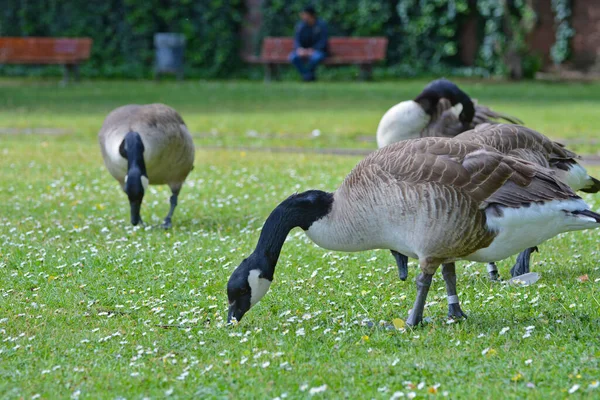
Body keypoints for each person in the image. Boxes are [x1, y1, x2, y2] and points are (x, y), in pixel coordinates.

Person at [288, 6, 328, 82]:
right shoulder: (300, 26)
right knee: (293, 57)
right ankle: (307, 75)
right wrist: (299, 49)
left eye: (304, 14)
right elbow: (297, 41)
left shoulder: (321, 26)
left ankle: (307, 75)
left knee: (316, 58)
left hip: (317, 51)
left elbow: (323, 42)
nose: (302, 16)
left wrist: (312, 50)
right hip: (303, 51)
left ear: (311, 15)